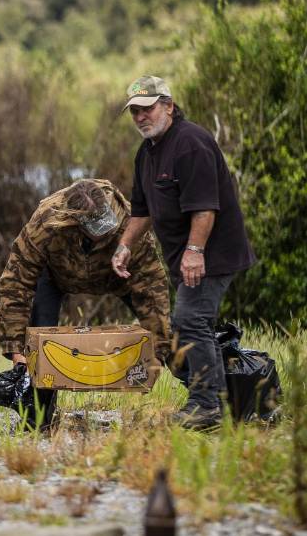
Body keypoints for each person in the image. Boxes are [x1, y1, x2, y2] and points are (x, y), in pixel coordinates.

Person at [111, 75, 256, 431]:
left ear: (169, 107)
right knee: (183, 329)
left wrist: (194, 251)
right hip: (187, 257)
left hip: (212, 254)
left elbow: (205, 208)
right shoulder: (147, 153)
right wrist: (125, 245)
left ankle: (207, 407)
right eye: (135, 112)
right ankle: (231, 396)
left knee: (192, 322)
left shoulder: (191, 143)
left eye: (148, 109)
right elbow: (142, 211)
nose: (141, 117)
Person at [0, 178, 172, 428]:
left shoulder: (129, 222)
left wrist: (160, 350)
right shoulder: (46, 222)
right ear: (75, 223)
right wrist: (16, 350)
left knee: (168, 331)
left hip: (119, 274)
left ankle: (207, 400)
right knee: (39, 344)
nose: (103, 234)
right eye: (96, 230)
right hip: (56, 276)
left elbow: (152, 287)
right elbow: (15, 283)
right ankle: (37, 418)